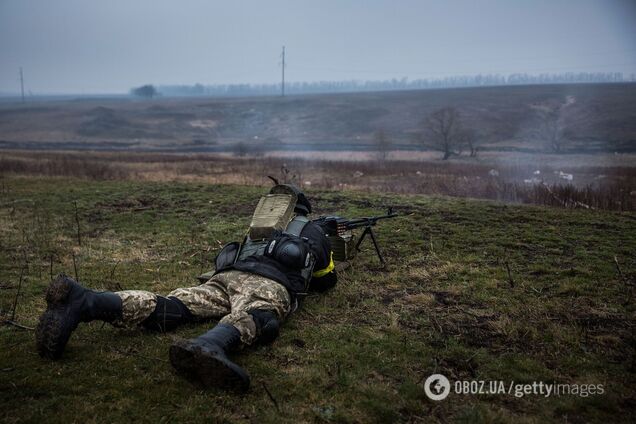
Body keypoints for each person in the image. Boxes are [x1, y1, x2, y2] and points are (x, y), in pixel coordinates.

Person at [35, 184, 337, 391]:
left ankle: (85, 301)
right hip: (269, 285)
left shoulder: (257, 230)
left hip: (225, 278)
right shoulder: (311, 229)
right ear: (304, 210)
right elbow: (325, 280)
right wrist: (325, 237)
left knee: (174, 307)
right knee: (260, 316)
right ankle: (212, 344)